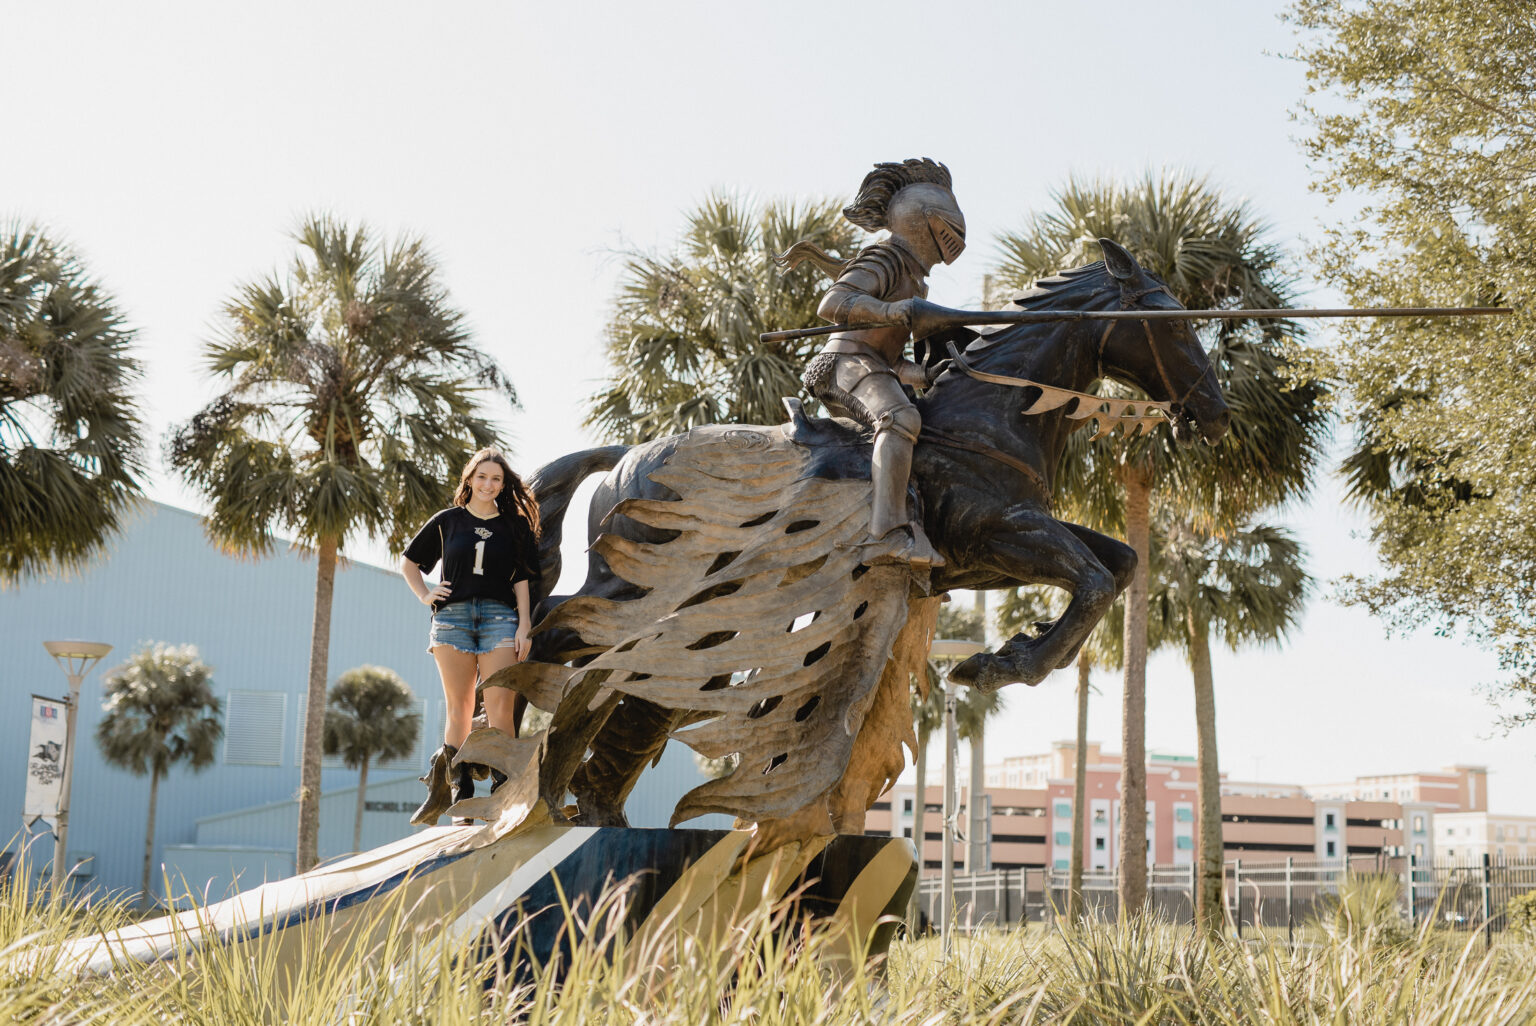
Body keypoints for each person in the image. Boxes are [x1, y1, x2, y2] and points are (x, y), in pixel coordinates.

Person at [780, 157, 966, 569]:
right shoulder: (886, 258)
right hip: (843, 364)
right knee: (901, 419)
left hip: (872, 366)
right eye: (950, 225)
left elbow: (892, 360)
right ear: (928, 222)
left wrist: (924, 374)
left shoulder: (914, 276)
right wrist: (894, 311)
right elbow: (833, 304)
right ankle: (884, 536)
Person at [400, 446, 540, 825]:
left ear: (503, 483)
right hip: (453, 620)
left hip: (500, 619)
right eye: (482, 477)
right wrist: (426, 594)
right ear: (470, 480)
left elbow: (523, 580)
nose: (489, 484)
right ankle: (461, 796)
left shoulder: (514, 527)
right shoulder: (448, 521)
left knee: (500, 710)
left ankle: (503, 793)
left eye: (496, 479)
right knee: (460, 707)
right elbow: (409, 563)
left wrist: (524, 624)